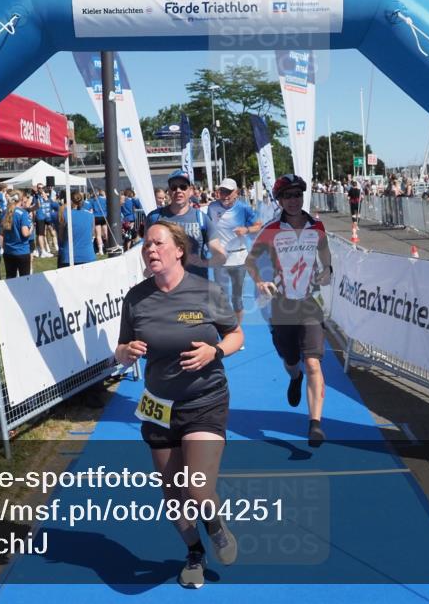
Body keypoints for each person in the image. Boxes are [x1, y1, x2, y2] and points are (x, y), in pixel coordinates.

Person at [115, 221, 244, 589]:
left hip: (205, 399)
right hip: (159, 405)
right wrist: (126, 352)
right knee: (173, 495)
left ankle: (216, 527)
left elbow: (236, 334)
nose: (150, 250)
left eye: (157, 244)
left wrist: (214, 350)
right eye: (145, 245)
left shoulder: (207, 291)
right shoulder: (136, 298)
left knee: (198, 486)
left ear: (178, 250)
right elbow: (121, 349)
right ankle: (195, 551)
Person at [246, 174, 333, 448]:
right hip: (282, 305)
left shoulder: (316, 225)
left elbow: (325, 251)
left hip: (309, 303)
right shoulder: (272, 229)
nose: (294, 200)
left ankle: (315, 424)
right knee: (291, 360)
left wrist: (327, 269)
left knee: (313, 363)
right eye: (288, 196)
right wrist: (260, 280)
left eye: (298, 195)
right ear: (280, 200)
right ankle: (294, 378)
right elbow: (251, 261)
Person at [144, 170, 225, 278]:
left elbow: (220, 256)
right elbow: (146, 248)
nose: (178, 190)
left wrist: (202, 263)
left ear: (190, 191)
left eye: (183, 187)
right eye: (174, 187)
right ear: (168, 191)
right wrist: (149, 267)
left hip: (196, 284)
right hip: (165, 285)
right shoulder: (154, 217)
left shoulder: (201, 219)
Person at [206, 178, 262, 330]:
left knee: (237, 298)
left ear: (236, 193)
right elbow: (207, 228)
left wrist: (246, 230)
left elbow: (259, 225)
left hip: (239, 259)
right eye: (222, 191)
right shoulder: (212, 207)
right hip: (220, 259)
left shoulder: (243, 208)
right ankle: (226, 330)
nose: (225, 195)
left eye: (228, 192)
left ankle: (237, 330)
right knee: (221, 297)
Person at [58, 191, 97, 267]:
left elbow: (61, 236)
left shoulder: (65, 214)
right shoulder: (90, 215)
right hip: (88, 256)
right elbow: (92, 234)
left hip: (69, 256)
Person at [0, 190, 33, 278]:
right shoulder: (23, 213)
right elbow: (25, 233)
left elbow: (1, 234)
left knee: (10, 279)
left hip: (8, 252)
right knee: (25, 280)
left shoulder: (4, 213)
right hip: (22, 251)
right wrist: (32, 228)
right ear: (21, 199)